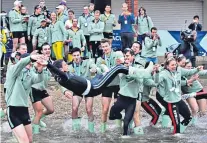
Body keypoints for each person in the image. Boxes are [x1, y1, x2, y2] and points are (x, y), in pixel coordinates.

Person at [109, 48, 153, 137]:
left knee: (132, 118)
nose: (126, 58)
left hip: (134, 97)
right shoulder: (121, 67)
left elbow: (142, 78)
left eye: (128, 56)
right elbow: (120, 75)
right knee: (112, 115)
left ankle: (139, 138)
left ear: (133, 56)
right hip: (122, 97)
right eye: (125, 56)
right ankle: (121, 120)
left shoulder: (138, 66)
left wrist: (132, 70)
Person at [156, 57, 203, 134]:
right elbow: (156, 81)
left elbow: (189, 72)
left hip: (178, 100)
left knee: (188, 118)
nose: (174, 66)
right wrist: (157, 73)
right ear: (167, 66)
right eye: (172, 65)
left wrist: (197, 69)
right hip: (170, 101)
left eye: (175, 65)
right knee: (176, 124)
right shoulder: (163, 74)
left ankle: (177, 132)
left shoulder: (179, 70)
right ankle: (175, 134)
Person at [5, 53, 46, 143]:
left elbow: (38, 79)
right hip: (13, 110)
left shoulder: (30, 73)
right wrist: (30, 58)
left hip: (24, 110)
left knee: (30, 140)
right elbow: (20, 64)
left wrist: (40, 70)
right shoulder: (13, 71)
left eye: (31, 63)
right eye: (28, 62)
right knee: (24, 141)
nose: (30, 64)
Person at [61, 47, 100, 133]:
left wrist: (95, 69)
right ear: (72, 56)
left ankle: (91, 130)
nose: (76, 57)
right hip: (77, 89)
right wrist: (65, 91)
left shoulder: (88, 61)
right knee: (74, 108)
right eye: (74, 55)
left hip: (89, 88)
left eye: (78, 55)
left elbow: (94, 66)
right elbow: (63, 79)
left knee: (89, 109)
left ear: (80, 55)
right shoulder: (69, 66)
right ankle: (75, 129)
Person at [96, 38, 124, 133]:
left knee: (117, 108)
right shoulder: (100, 59)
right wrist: (99, 69)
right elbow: (98, 71)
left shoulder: (117, 54)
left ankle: (118, 129)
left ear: (110, 46)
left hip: (118, 85)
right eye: (103, 47)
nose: (105, 48)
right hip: (106, 85)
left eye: (106, 46)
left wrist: (121, 61)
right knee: (104, 109)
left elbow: (123, 59)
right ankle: (103, 130)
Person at [29, 43, 54, 134]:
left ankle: (36, 119)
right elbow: (33, 69)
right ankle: (35, 133)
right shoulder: (37, 61)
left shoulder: (51, 62)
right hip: (34, 89)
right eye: (45, 49)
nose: (47, 50)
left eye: (48, 49)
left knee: (51, 109)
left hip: (43, 89)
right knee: (38, 112)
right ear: (42, 51)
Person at [180, 59, 207, 123]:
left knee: (203, 112)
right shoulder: (179, 73)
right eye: (188, 67)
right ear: (183, 67)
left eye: (191, 67)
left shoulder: (194, 71)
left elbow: (203, 72)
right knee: (195, 109)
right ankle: (193, 124)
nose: (190, 68)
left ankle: (200, 125)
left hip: (199, 91)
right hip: (189, 93)